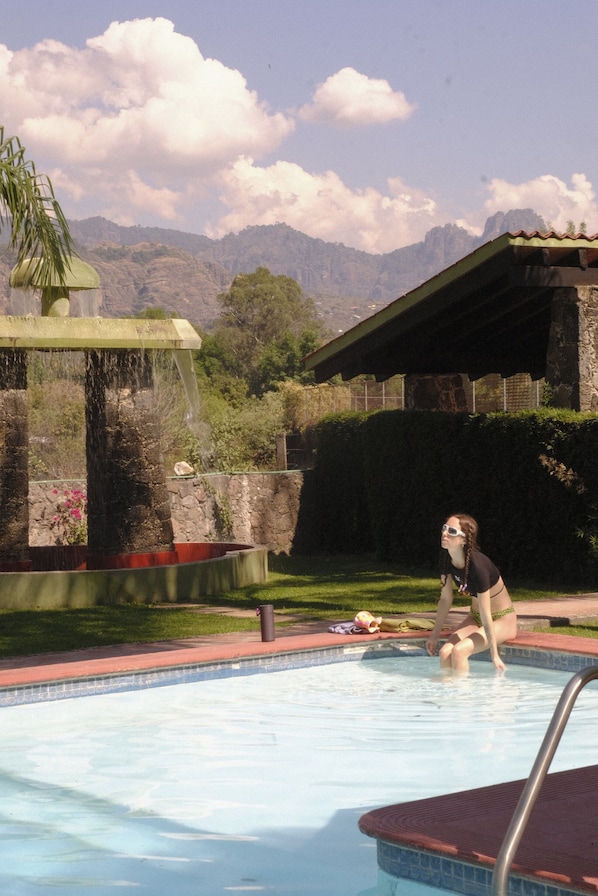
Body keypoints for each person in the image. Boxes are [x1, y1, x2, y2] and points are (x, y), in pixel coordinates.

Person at [425, 513, 517, 674]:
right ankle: (446, 694)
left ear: (464, 540)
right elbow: (445, 600)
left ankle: (463, 697)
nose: (444, 533)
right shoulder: (446, 558)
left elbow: (486, 612)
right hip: (475, 617)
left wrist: (494, 654)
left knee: (459, 651)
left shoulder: (478, 567)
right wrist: (434, 635)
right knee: (445, 651)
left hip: (502, 619)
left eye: (452, 531)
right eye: (444, 528)